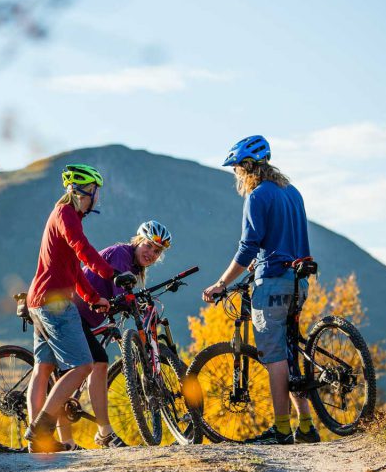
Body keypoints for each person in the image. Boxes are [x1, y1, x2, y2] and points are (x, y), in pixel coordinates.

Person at [201, 135, 319, 445]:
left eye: (237, 169)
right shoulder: (292, 192)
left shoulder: (257, 196)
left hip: (273, 282)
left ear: (248, 167)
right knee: (291, 352)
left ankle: (281, 428)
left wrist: (221, 284)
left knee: (275, 356)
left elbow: (247, 247)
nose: (237, 175)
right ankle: (305, 425)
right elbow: (284, 240)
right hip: (299, 281)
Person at [23, 164, 135, 453]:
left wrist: (91, 297)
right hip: (54, 302)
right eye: (97, 192)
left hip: (39, 299)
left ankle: (39, 440)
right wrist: (112, 274)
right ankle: (40, 430)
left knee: (44, 368)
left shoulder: (63, 215)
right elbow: (82, 248)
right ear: (87, 191)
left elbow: (75, 269)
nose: (98, 197)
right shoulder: (66, 214)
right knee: (83, 365)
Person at [55, 220, 172, 449]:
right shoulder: (121, 253)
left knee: (83, 369)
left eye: (157, 251)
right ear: (137, 241)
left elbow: (121, 295)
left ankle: (74, 440)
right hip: (73, 314)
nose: (151, 253)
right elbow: (120, 291)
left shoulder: (135, 267)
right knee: (92, 366)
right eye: (148, 246)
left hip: (84, 318)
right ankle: (96, 435)